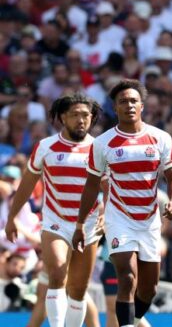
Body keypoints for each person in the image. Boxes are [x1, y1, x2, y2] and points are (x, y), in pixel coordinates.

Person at [73, 80, 172, 327]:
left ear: (142, 106)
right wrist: (80, 223)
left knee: (149, 289)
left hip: (150, 220)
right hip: (119, 219)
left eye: (133, 101)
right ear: (115, 107)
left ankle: (131, 320)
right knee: (127, 277)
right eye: (123, 101)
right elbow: (91, 185)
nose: (129, 105)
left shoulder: (160, 138)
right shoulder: (102, 143)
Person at [5, 94, 102, 327]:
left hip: (88, 224)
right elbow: (27, 183)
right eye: (75, 115)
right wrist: (10, 218)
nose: (81, 120)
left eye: (86, 115)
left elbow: (110, 187)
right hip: (55, 221)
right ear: (62, 118)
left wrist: (106, 214)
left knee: (78, 289)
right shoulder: (45, 147)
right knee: (57, 272)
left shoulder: (99, 148)